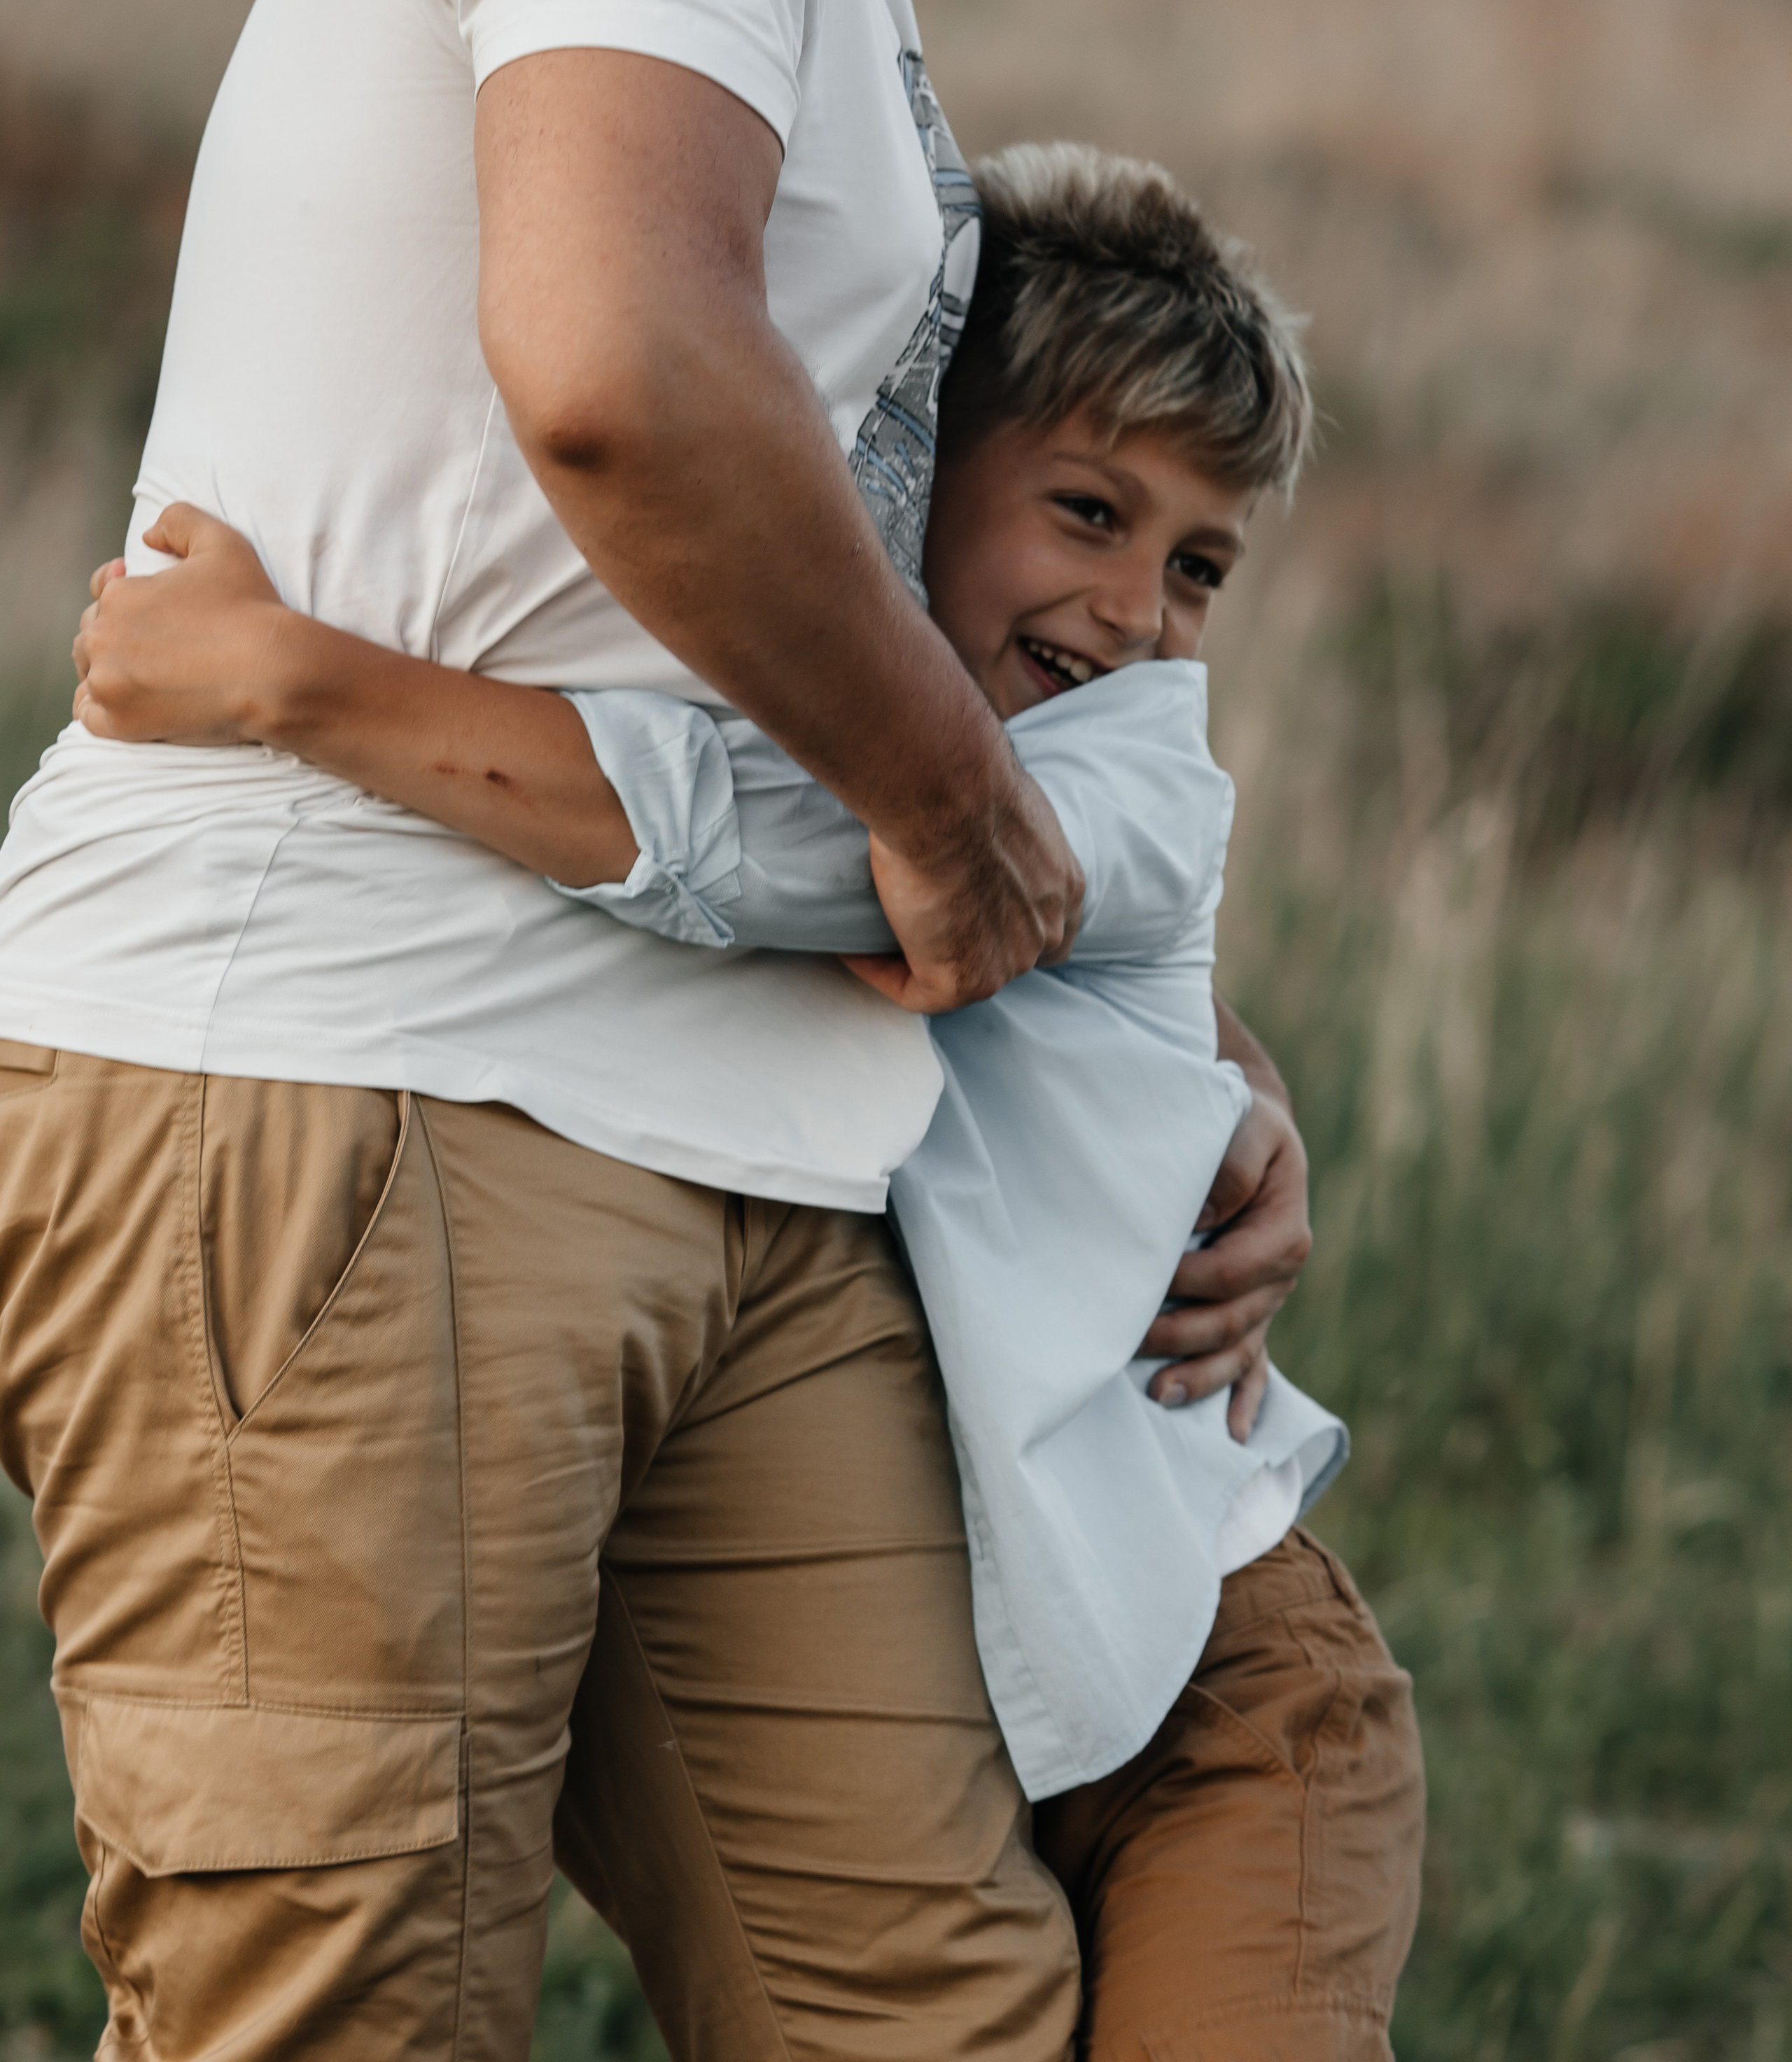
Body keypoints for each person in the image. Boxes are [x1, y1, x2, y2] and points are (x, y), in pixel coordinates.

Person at [0, 0, 1315, 2054]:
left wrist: (1146, 1031)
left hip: (737, 1148)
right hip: (371, 1087)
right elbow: (618, 358)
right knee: (339, 2018)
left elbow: (780, 615)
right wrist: (959, 820)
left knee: (925, 2017)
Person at [71, 143, 1427, 2059]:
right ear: (899, 473)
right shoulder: (791, 697)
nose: (1135, 612)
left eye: (1196, 563)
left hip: (1221, 1700)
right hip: (982, 1653)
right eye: (1088, 514)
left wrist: (287, 675)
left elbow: (783, 854)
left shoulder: (1108, 782)